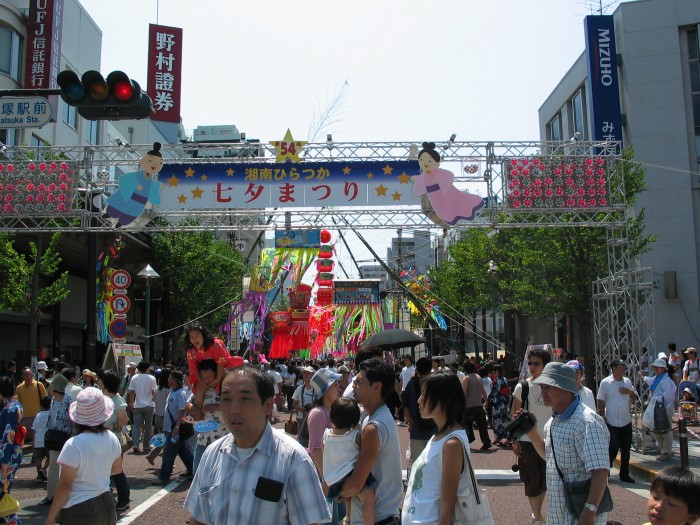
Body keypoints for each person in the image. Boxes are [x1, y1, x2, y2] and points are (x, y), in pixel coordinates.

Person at [184, 366, 331, 525]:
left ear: (268, 406)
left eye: (245, 399)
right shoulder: (211, 454)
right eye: (225, 399)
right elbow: (198, 519)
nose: (234, 409)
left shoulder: (295, 460)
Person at [524, 362, 611, 525]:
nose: (543, 392)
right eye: (542, 387)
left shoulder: (587, 422)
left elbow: (600, 471)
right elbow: (550, 456)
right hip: (559, 514)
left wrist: (589, 511)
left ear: (565, 389)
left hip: (581, 515)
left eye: (548, 387)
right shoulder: (552, 422)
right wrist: (531, 433)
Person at [403, 371, 491, 525]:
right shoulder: (439, 437)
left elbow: (447, 506)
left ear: (443, 398)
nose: (419, 400)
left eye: (424, 394)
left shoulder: (452, 444)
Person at [44, 388, 122, 525]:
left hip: (80, 507)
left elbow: (65, 484)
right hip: (107, 503)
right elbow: (117, 470)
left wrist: (51, 517)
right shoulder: (112, 438)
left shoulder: (74, 444)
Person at [339, 358, 403, 525]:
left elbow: (356, 483)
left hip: (378, 518)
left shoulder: (374, 427)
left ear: (377, 386)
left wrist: (334, 490)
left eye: (359, 381)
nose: (353, 384)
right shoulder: (370, 416)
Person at [511, 348, 552, 525]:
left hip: (550, 439)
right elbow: (514, 417)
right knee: (531, 479)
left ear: (545, 365)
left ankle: (537, 513)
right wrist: (515, 440)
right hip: (528, 441)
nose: (532, 367)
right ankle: (537, 515)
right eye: (530, 363)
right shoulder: (523, 387)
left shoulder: (552, 387)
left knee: (546, 480)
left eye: (537, 363)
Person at [324, 397, 375, 525]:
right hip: (350, 475)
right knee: (368, 499)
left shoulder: (326, 435)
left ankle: (348, 518)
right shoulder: (354, 436)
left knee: (349, 499)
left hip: (333, 480)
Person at [104, 141, 165, 227]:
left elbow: (151, 186)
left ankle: (121, 223)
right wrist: (135, 184)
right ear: (143, 161)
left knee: (129, 215)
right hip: (130, 196)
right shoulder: (137, 176)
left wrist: (157, 186)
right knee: (118, 207)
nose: (154, 165)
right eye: (150, 160)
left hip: (139, 201)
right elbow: (124, 178)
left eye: (159, 163)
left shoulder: (150, 180)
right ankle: (110, 214)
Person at [597, 359, 637, 483]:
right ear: (614, 368)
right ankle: (606, 470)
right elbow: (601, 400)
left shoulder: (627, 382)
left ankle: (624, 474)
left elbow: (635, 397)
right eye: (621, 366)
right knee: (613, 446)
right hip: (611, 421)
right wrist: (602, 416)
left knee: (626, 448)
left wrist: (629, 391)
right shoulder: (606, 383)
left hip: (625, 420)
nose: (624, 368)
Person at [152, 370, 194, 485]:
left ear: (175, 380)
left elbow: (181, 411)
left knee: (168, 453)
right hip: (172, 428)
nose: (168, 380)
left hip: (175, 428)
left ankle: (164, 477)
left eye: (170, 378)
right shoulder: (173, 391)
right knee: (183, 451)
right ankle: (194, 470)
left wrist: (177, 426)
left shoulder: (180, 393)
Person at [187, 360, 228, 474]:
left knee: (219, 474)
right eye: (203, 377)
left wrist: (213, 407)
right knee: (197, 473)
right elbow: (188, 403)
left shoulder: (225, 388)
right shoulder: (200, 387)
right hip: (203, 438)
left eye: (209, 376)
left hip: (222, 439)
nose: (207, 379)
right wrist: (193, 409)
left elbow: (234, 407)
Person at [100, 370, 131, 511]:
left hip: (113, 439)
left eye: (101, 380)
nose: (98, 382)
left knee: (116, 470)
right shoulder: (102, 396)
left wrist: (111, 426)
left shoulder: (117, 400)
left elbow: (124, 420)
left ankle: (124, 499)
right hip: (102, 437)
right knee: (105, 469)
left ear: (107, 383)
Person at [42, 373, 75, 506]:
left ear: (55, 387)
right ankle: (51, 495)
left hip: (66, 438)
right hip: (54, 438)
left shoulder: (70, 401)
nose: (48, 387)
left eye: (50, 385)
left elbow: (74, 421)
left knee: (66, 468)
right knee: (54, 467)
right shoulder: (53, 400)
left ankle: (65, 495)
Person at [641, 358, 677, 461]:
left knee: (666, 429)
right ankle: (665, 449)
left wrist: (660, 398)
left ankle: (667, 451)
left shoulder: (666, 380)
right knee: (653, 427)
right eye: (654, 367)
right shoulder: (657, 378)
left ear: (662, 368)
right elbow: (649, 380)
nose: (655, 368)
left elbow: (670, 394)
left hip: (665, 407)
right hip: (655, 407)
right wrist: (643, 377)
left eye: (657, 367)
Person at [403, 357, 437, 468]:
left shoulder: (411, 384)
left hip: (416, 429)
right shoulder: (436, 383)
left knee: (416, 463)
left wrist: (410, 423)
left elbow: (406, 406)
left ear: (417, 369)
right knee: (434, 462)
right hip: (435, 429)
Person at [0, 376, 23, 525]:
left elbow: (8, 437)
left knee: (2, 496)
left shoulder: (9, 409)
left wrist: (3, 462)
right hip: (12, 455)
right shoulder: (16, 405)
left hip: (6, 458)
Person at [185, 323, 230, 397]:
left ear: (203, 334)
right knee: (198, 389)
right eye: (191, 337)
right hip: (202, 376)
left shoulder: (215, 344)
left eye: (196, 336)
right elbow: (194, 369)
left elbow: (221, 363)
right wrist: (201, 381)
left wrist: (217, 379)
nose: (194, 339)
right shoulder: (191, 350)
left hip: (222, 370)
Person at [128, 360, 157, 454]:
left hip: (137, 404)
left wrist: (132, 403)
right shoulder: (152, 378)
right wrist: (152, 402)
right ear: (147, 368)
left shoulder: (134, 378)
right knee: (148, 426)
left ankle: (135, 444)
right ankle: (146, 445)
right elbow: (154, 392)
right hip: (149, 405)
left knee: (136, 426)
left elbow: (132, 393)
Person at [461, 360, 491, 450]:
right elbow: (482, 390)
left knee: (466, 424)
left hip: (469, 406)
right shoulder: (478, 377)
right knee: (482, 425)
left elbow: (464, 393)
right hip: (478, 405)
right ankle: (486, 442)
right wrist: (486, 401)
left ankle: (470, 438)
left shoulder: (466, 378)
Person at [16, 366, 48, 443]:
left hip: (36, 415)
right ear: (22, 376)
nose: (27, 376)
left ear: (32, 375)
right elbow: (18, 403)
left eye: (29, 374)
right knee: (24, 437)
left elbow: (45, 399)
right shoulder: (19, 388)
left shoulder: (38, 384)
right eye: (25, 374)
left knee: (36, 438)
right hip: (25, 416)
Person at [147, 368, 171, 467]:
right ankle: (161, 460)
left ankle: (154, 456)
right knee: (166, 440)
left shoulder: (158, 388)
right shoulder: (168, 390)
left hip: (157, 415)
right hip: (165, 417)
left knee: (162, 438)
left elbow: (153, 399)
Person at [487, 364, 512, 446]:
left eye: (494, 372)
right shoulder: (504, 379)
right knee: (505, 420)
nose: (493, 373)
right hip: (505, 403)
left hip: (498, 404)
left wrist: (488, 400)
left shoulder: (498, 380)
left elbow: (493, 392)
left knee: (497, 421)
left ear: (497, 371)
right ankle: (507, 438)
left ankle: (499, 437)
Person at [292, 366, 317, 447]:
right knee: (302, 446)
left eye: (308, 373)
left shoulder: (317, 390)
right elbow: (294, 404)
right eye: (304, 373)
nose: (306, 375)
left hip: (315, 420)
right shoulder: (299, 389)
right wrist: (303, 409)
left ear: (313, 375)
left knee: (314, 445)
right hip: (301, 420)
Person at [32, 395, 52, 482]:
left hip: (38, 440)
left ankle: (39, 476)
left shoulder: (38, 415)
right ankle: (43, 469)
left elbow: (34, 428)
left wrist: (33, 439)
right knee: (51, 456)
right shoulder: (51, 414)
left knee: (38, 459)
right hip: (48, 440)